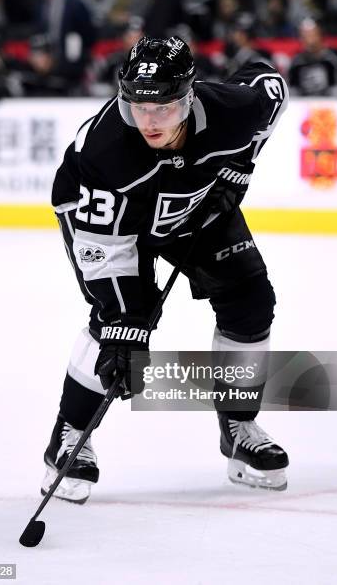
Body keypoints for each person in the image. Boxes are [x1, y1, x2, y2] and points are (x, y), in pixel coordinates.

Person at [42, 36, 290, 504]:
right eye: (137, 105)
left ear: (190, 94)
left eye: (164, 107)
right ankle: (69, 434)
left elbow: (270, 86)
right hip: (110, 227)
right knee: (120, 326)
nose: (150, 121)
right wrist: (125, 322)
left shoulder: (229, 110)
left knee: (250, 298)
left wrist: (241, 163)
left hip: (194, 208)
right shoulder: (104, 154)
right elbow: (106, 251)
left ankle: (237, 425)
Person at [288, 18, 337, 96]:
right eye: (304, 36)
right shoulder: (296, 62)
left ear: (320, 34)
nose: (308, 40)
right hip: (305, 104)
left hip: (332, 104)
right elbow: (291, 89)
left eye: (311, 35)